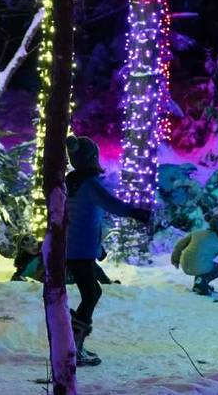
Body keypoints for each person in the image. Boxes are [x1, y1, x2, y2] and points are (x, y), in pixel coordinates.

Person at [65, 135, 149, 367]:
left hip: (76, 248)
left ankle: (73, 342)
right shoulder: (89, 184)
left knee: (92, 292)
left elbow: (82, 219)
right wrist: (136, 212)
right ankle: (73, 346)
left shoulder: (71, 182)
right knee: (91, 294)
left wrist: (97, 247)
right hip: (80, 250)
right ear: (92, 158)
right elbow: (112, 204)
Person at [171, 213, 218, 296]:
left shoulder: (197, 233)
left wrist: (175, 260)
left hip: (185, 264)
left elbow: (179, 246)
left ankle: (199, 283)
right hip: (199, 265)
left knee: (202, 261)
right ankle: (201, 283)